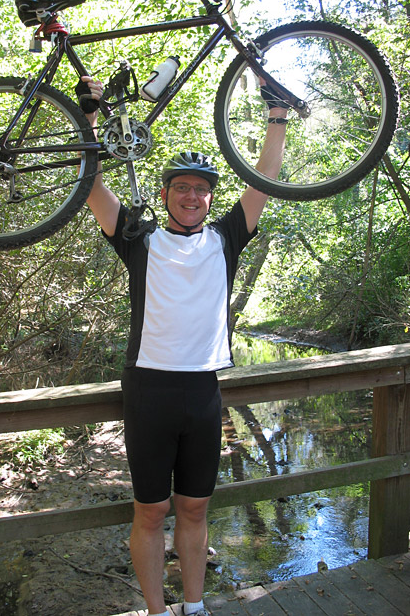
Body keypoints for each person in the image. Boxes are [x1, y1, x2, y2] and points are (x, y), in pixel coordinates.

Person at [80, 75, 288, 616]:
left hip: (203, 390)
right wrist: (91, 115)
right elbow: (90, 181)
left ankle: (193, 608)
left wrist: (277, 118)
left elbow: (264, 176)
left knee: (194, 509)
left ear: (210, 198)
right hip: (148, 388)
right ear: (167, 192)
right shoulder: (138, 237)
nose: (192, 196)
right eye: (182, 187)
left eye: (202, 189)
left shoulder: (226, 238)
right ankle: (156, 611)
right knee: (150, 513)